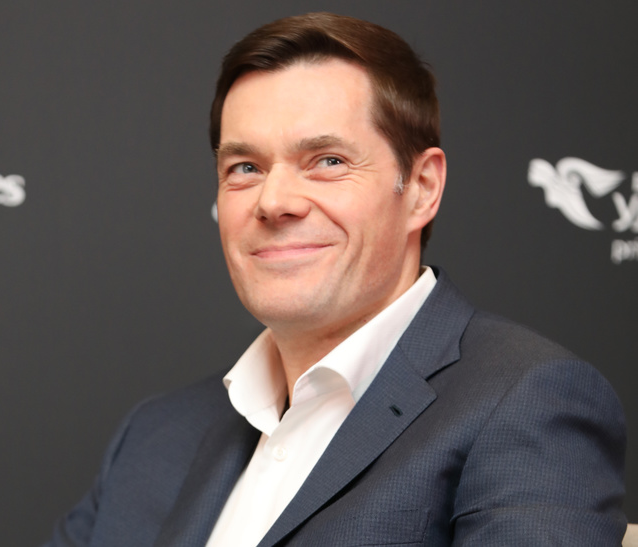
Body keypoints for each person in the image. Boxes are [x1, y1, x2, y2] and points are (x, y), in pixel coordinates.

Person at [44, 12, 627, 546]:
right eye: (245, 167)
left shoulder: (525, 401)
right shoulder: (155, 434)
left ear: (421, 188)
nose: (274, 201)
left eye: (328, 161)